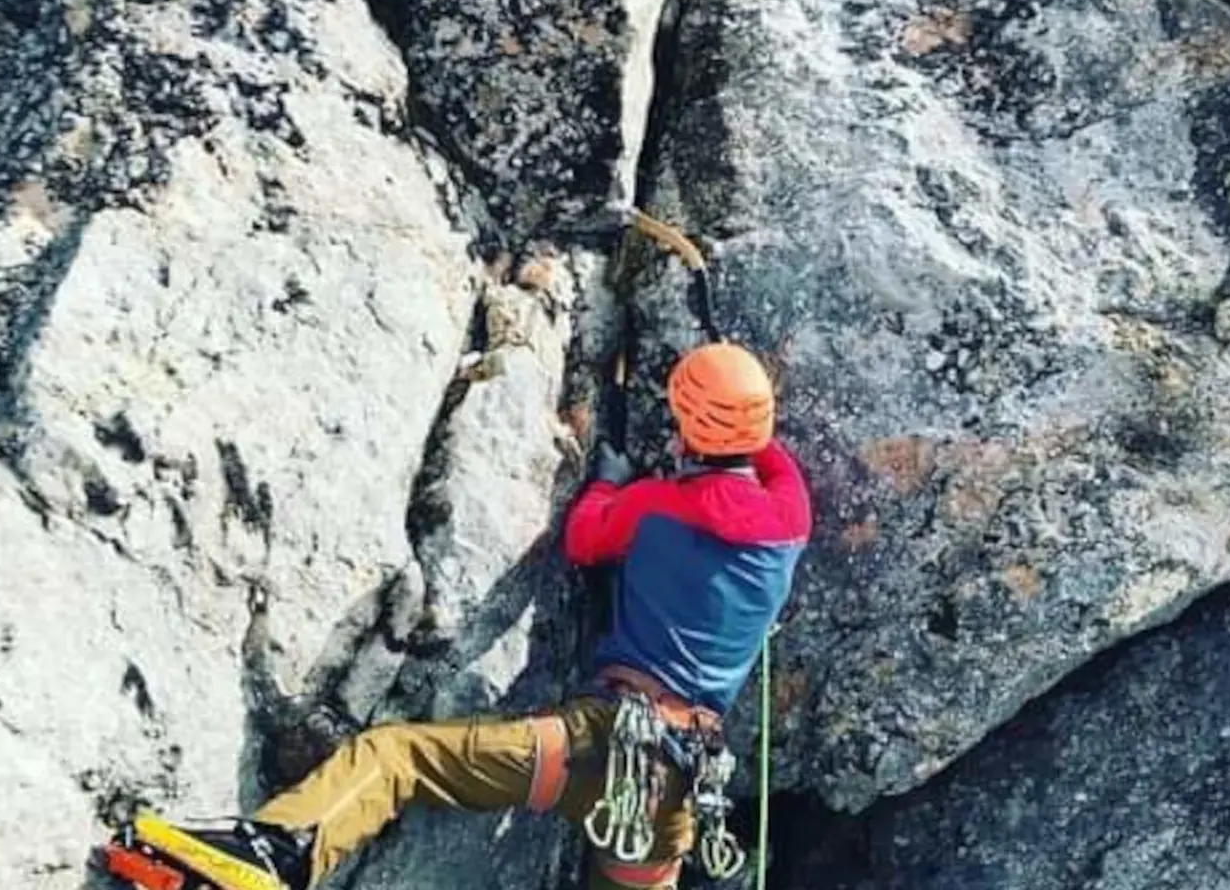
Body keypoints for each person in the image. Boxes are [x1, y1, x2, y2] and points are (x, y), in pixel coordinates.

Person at [100, 342, 812, 890]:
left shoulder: (657, 504)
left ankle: (277, 853)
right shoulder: (789, 524)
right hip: (676, 796)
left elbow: (586, 536)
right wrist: (736, 424)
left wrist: (609, 482)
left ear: (687, 423)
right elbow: (773, 465)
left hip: (601, 744)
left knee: (394, 757)